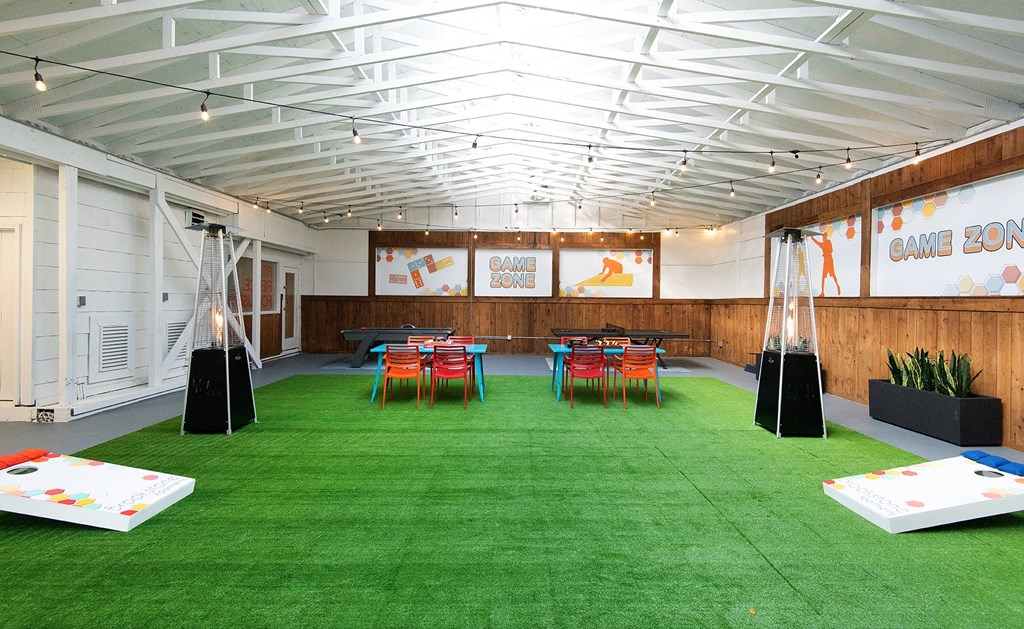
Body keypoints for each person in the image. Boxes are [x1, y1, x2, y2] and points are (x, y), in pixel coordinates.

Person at [810, 232, 841, 296]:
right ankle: (823, 292)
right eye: (822, 237)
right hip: (826, 260)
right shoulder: (824, 243)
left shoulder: (827, 242)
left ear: (825, 237)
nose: (823, 238)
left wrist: (825, 253)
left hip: (829, 260)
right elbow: (818, 243)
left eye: (823, 236)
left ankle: (837, 286)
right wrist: (813, 239)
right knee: (823, 277)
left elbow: (830, 250)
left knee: (833, 274)